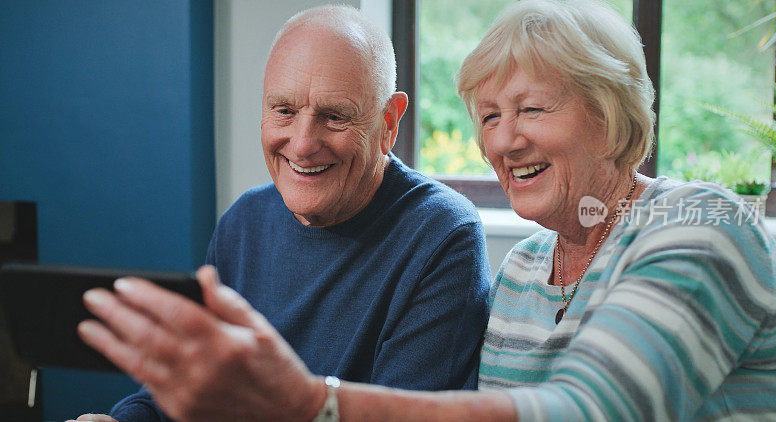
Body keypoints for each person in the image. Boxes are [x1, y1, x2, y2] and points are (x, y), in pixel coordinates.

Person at [75, 0, 776, 421]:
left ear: (611, 119)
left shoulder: (704, 226)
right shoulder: (523, 270)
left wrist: (310, 403)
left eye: (531, 109)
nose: (503, 139)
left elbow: (586, 411)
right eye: (487, 116)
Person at [71, 5, 492, 422]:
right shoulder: (243, 223)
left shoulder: (442, 236)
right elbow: (190, 386)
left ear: (389, 122)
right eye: (284, 111)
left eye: (334, 116)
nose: (303, 143)